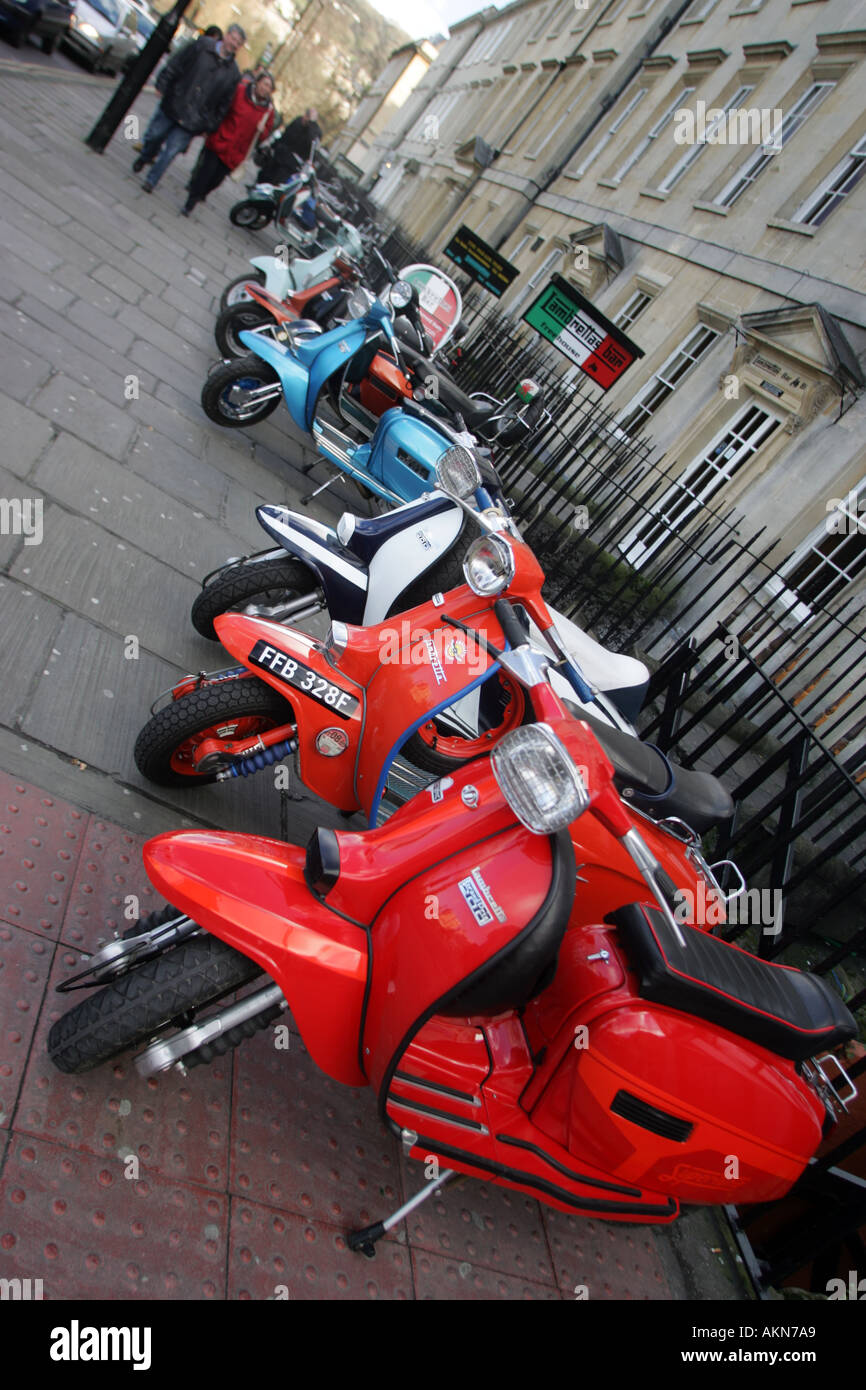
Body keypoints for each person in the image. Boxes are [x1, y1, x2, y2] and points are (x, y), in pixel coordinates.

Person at [133, 24, 245, 192]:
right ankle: (146, 155)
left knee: (171, 151)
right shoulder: (202, 45)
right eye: (233, 39)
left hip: (194, 119)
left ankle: (151, 181)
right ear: (226, 36)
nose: (233, 44)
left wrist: (209, 125)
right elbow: (178, 63)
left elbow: (224, 104)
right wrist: (163, 83)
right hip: (175, 102)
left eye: (238, 43)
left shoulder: (233, 74)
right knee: (155, 135)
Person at [182, 70, 276, 215]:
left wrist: (262, 130)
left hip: (237, 152)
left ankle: (201, 193)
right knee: (205, 174)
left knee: (216, 180)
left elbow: (264, 135)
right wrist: (211, 126)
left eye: (269, 87)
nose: (265, 88)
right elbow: (223, 107)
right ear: (257, 83)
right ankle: (190, 203)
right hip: (221, 140)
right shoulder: (240, 91)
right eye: (264, 84)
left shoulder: (269, 111)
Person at [257, 106, 321, 185]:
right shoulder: (298, 121)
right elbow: (285, 135)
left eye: (309, 117)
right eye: (306, 115)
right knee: (265, 174)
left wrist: (311, 124)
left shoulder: (315, 132)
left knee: (276, 181)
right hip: (281, 153)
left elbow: (311, 145)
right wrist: (272, 146)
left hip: (291, 164)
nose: (306, 119)